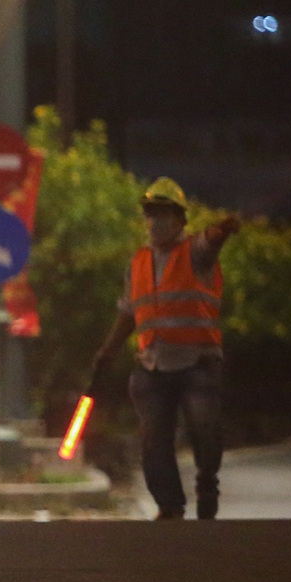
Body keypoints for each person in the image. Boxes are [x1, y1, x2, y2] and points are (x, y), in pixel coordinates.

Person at [87, 179, 239, 520]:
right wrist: (108, 349)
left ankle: (206, 483)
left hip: (197, 363)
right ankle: (169, 505)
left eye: (162, 213)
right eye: (150, 213)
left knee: (204, 428)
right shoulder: (138, 262)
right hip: (153, 365)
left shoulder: (194, 252)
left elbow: (211, 239)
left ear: (180, 220)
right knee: (154, 440)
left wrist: (225, 228)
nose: (154, 220)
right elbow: (127, 312)